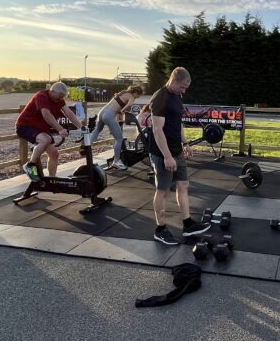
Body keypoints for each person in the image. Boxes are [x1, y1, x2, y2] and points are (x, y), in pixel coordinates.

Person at [149, 67, 211, 245]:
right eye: (182, 87)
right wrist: (167, 156)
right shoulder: (160, 97)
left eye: (186, 88)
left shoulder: (176, 96)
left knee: (183, 184)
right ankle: (160, 229)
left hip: (177, 150)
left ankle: (188, 224)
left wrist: (185, 143)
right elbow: (157, 130)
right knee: (163, 191)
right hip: (163, 153)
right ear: (174, 80)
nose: (184, 91)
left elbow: (178, 122)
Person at [15, 81, 85, 178]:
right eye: (60, 95)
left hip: (40, 129)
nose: (61, 98)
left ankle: (52, 179)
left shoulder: (58, 99)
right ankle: (30, 165)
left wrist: (81, 127)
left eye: (63, 96)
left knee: (54, 154)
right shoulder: (41, 96)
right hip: (25, 126)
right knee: (46, 139)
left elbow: (69, 113)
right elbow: (46, 115)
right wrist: (60, 129)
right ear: (52, 91)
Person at [90, 85, 144, 170]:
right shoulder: (131, 97)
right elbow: (129, 105)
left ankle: (87, 146)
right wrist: (121, 112)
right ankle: (116, 161)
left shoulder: (123, 93)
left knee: (97, 130)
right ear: (136, 93)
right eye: (139, 95)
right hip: (109, 114)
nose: (138, 97)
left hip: (102, 112)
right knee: (119, 139)